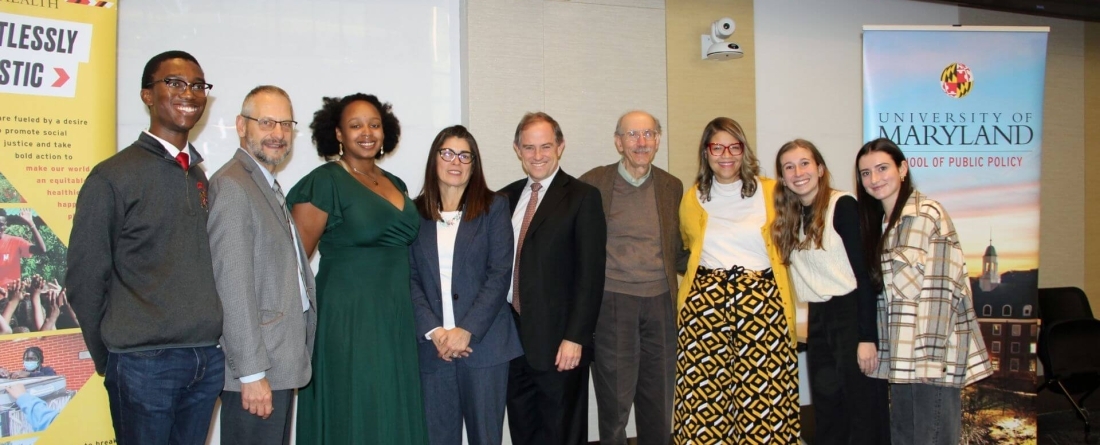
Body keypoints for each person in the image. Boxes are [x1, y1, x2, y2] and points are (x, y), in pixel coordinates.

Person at [66, 50, 224, 445]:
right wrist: (112, 357)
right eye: (174, 82)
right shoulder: (112, 177)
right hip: (142, 364)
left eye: (197, 85)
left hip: (204, 358)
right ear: (146, 95)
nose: (189, 92)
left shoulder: (199, 175)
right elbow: (84, 278)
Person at [288, 93, 428, 444]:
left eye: (374, 124)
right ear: (337, 133)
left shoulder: (396, 183)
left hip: (394, 317)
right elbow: (292, 266)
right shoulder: (324, 182)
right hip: (348, 320)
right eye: (355, 125)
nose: (367, 132)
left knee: (390, 404)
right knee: (356, 405)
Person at [855, 137, 992, 445]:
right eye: (866, 173)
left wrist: (930, 359)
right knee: (904, 437)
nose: (874, 179)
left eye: (882, 168)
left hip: (931, 357)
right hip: (902, 359)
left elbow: (941, 292)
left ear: (902, 168)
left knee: (933, 439)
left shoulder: (928, 214)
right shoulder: (880, 223)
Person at [673, 117, 800, 444]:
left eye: (734, 146)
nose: (725, 154)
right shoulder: (692, 198)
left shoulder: (773, 191)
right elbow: (688, 247)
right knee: (703, 403)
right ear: (706, 152)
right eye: (717, 147)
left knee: (764, 401)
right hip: (705, 308)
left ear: (744, 151)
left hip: (762, 304)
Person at [207, 85, 318, 445]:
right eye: (267, 122)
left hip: (277, 362)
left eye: (286, 124)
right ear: (241, 125)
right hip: (257, 371)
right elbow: (233, 287)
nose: (279, 134)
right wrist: (251, 374)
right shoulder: (233, 187)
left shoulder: (264, 184)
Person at [409, 125, 522, 445]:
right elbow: (410, 277)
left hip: (484, 347)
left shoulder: (494, 207)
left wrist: (466, 329)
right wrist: (435, 330)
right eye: (447, 153)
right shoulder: (414, 213)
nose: (455, 161)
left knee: (485, 438)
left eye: (464, 155)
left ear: (474, 164)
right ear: (435, 160)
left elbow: (500, 273)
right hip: (434, 348)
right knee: (436, 438)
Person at [771, 139, 890, 444]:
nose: (798, 172)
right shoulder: (791, 219)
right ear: (783, 178)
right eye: (789, 167)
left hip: (852, 315)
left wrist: (867, 338)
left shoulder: (843, 206)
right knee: (827, 409)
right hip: (819, 318)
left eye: (805, 163)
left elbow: (866, 276)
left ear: (820, 169)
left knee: (860, 411)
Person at [579, 110, 684, 445]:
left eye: (649, 134)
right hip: (613, 301)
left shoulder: (672, 186)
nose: (642, 142)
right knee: (615, 404)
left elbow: (680, 247)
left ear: (658, 140)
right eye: (633, 135)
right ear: (618, 142)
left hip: (662, 304)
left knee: (659, 400)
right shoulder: (593, 183)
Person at [500, 112, 606, 445]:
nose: (537, 155)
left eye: (545, 146)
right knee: (523, 429)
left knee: (561, 432)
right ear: (517, 149)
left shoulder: (582, 197)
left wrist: (576, 337)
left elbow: (590, 276)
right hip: (511, 340)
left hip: (560, 342)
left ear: (560, 146)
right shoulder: (503, 198)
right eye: (529, 147)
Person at [0, 210, 45, 287]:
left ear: (5, 225)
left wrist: (31, 224)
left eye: (1, 224)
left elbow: (41, 250)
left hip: (10, 294)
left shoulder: (15, 242)